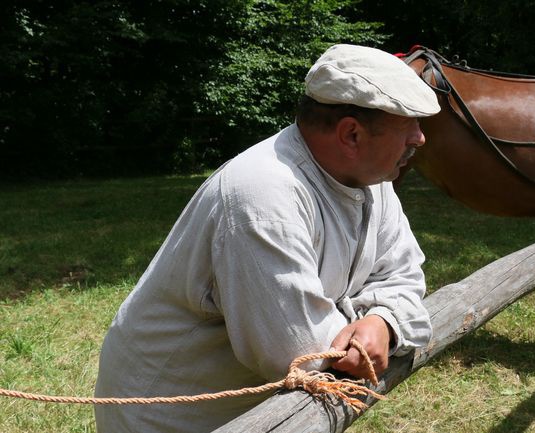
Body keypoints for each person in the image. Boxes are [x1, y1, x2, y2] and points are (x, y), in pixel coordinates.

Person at [94, 43, 440, 433]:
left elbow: (406, 276)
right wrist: (376, 320)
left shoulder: (372, 180)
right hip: (170, 418)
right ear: (352, 134)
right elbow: (302, 352)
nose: (420, 138)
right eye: (409, 124)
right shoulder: (261, 195)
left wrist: (384, 321)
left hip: (255, 411)